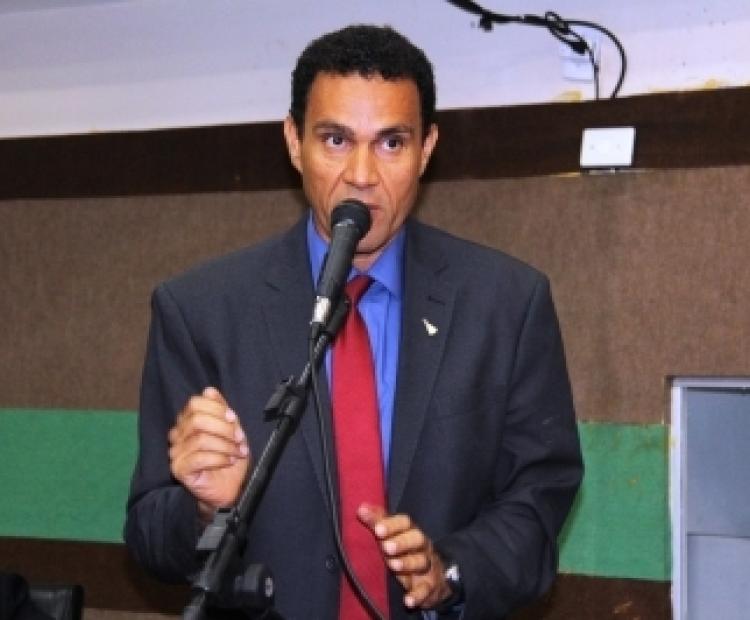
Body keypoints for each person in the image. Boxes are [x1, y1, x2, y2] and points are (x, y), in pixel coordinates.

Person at [125, 24, 583, 620]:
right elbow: (149, 536)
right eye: (336, 140)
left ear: (427, 148)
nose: (362, 174)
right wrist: (204, 509)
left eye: (391, 142)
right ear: (294, 142)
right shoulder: (201, 310)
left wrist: (450, 570)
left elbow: (537, 502)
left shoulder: (506, 304)